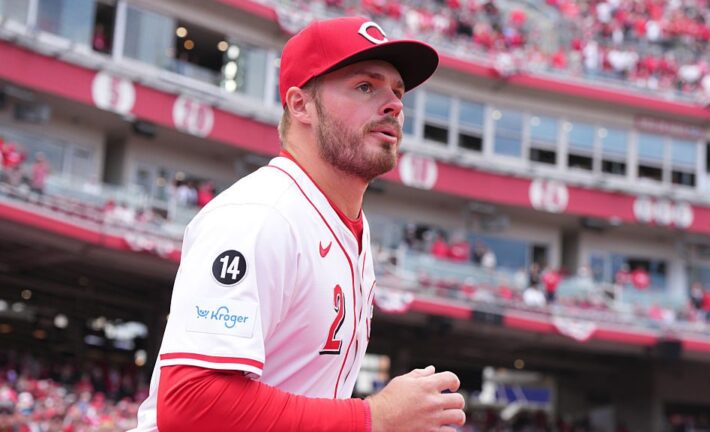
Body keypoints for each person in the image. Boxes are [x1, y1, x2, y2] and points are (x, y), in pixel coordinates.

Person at [132, 16, 465, 431]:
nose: (394, 104)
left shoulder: (346, 225)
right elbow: (190, 404)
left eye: (398, 92)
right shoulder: (260, 215)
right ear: (300, 105)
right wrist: (374, 418)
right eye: (365, 86)